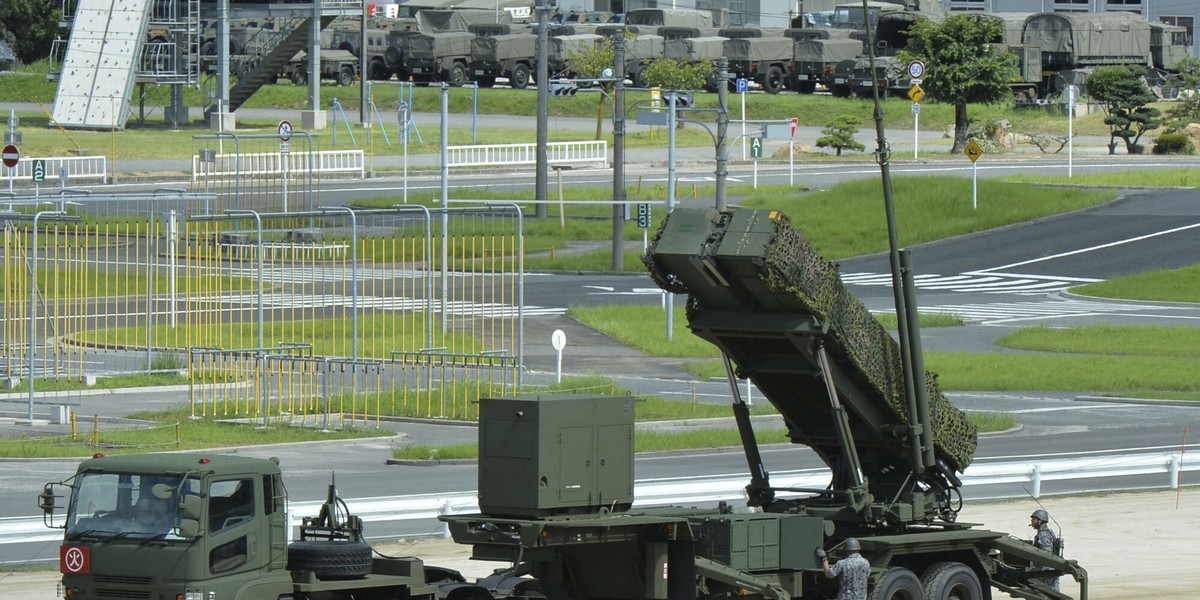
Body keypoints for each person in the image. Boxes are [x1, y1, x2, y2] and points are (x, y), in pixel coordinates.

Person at [1029, 508, 1060, 591]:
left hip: (1046, 570)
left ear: (1040, 521)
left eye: (1034, 519)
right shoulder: (1048, 532)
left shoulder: (1043, 534)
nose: (1032, 521)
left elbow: (1046, 553)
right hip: (1049, 569)